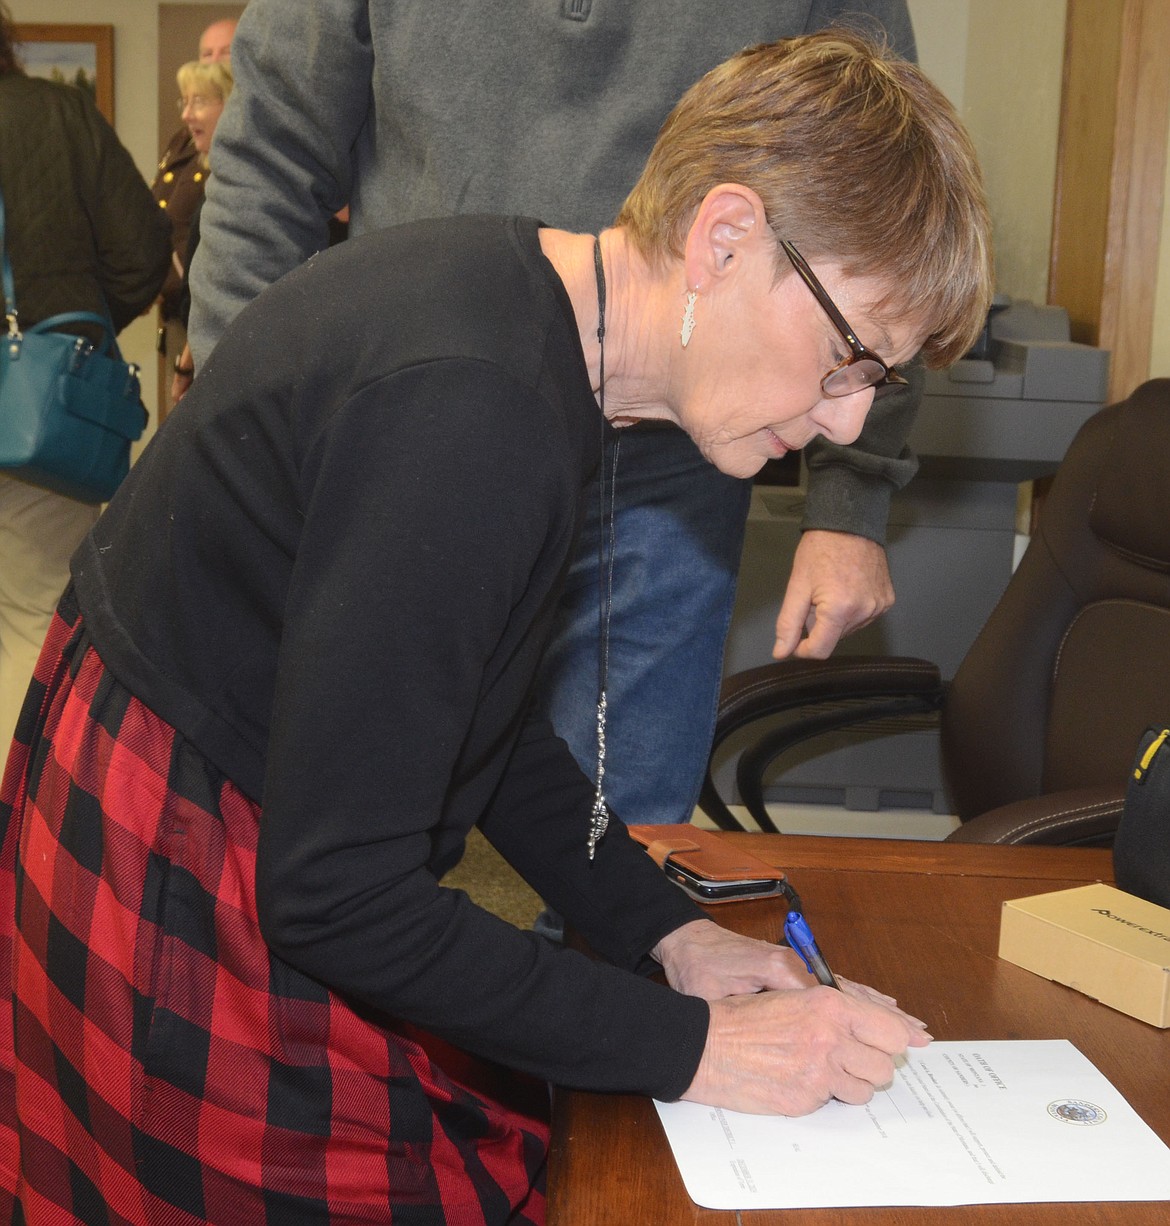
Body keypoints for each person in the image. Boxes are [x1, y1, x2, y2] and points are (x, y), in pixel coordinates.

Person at [0, 31, 992, 1221]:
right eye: (848, 358)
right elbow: (337, 897)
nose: (844, 424)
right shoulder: (477, 415)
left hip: (246, 785)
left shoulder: (538, 310)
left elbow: (485, 717)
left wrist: (667, 934)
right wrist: (698, 1048)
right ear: (724, 238)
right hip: (185, 831)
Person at [189, 0, 924, 828]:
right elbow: (271, 154)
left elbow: (890, 210)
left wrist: (849, 504)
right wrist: (247, 438)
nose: (852, 419)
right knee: (345, 806)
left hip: (669, 467)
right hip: (415, 434)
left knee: (616, 823)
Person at [0, 5, 170, 751]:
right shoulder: (58, 114)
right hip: (41, 417)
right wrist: (69, 331)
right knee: (33, 619)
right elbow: (142, 251)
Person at [151, 18, 236, 411]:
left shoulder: (242, 162)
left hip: (216, 330)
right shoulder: (186, 141)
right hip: (179, 317)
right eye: (207, 53)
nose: (188, 114)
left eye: (226, 53)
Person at [169, 58, 234, 404]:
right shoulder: (208, 175)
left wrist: (186, 364)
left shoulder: (237, 185)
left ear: (232, 104)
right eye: (184, 102)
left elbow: (218, 283)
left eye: (200, 101)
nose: (186, 115)